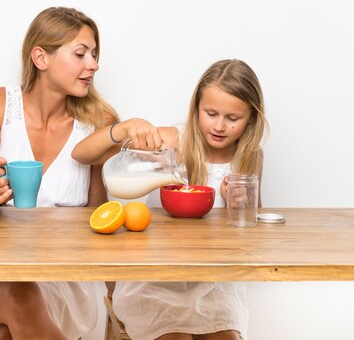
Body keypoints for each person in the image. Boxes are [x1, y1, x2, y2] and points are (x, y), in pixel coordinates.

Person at [0, 6, 119, 340]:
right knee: (21, 297)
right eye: (81, 54)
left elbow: (100, 215)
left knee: (8, 331)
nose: (94, 65)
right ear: (40, 58)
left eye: (95, 55)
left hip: (63, 273)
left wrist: (116, 290)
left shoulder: (98, 123)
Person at [72, 59, 268, 340]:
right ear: (196, 107)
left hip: (213, 285)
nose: (220, 126)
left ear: (251, 118)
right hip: (156, 281)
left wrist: (241, 203)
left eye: (233, 119)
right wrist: (125, 128)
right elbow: (82, 154)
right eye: (210, 113)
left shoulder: (249, 158)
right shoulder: (172, 142)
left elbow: (255, 228)